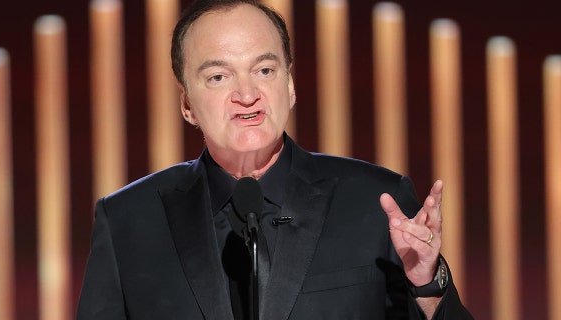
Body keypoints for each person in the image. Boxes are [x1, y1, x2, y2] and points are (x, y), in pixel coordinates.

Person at [76, 0, 473, 319]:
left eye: (264, 69)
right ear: (187, 105)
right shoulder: (129, 220)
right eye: (219, 76)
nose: (247, 93)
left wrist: (427, 286)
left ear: (290, 84)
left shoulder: (376, 202)